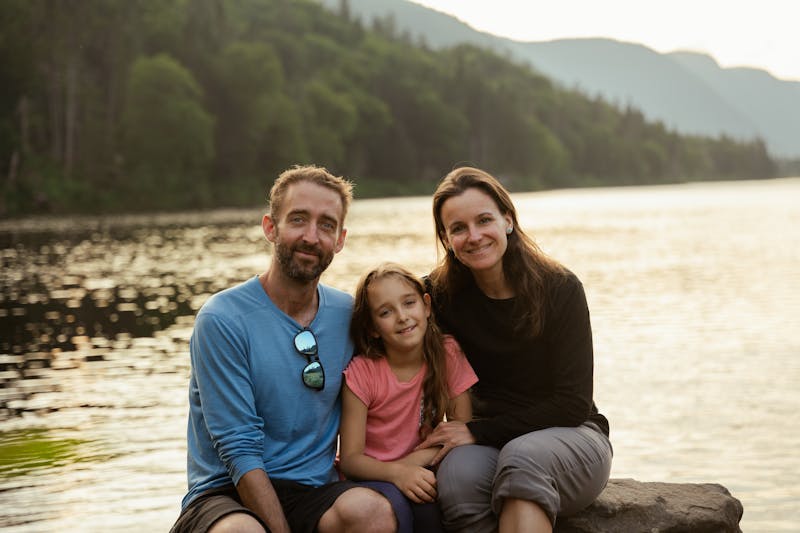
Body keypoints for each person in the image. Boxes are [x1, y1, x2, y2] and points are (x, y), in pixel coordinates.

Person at [170, 165, 396, 533]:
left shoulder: (348, 314)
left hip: (311, 492)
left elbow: (402, 360)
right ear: (270, 227)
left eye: (326, 225)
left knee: (371, 511)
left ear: (340, 239)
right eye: (298, 219)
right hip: (226, 493)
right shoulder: (223, 319)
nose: (311, 236)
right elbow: (238, 449)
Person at [416, 166, 613, 532]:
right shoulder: (438, 297)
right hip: (490, 444)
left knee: (523, 459)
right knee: (456, 476)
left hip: (572, 435)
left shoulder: (560, 289)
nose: (473, 236)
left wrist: (475, 431)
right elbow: (387, 335)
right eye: (458, 228)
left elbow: (572, 404)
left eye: (484, 220)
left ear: (508, 220)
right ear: (446, 238)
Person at [339, 263, 478, 533]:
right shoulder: (363, 372)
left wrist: (412, 466)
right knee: (401, 510)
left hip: (422, 466)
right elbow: (350, 460)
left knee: (436, 507)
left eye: (409, 303)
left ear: (426, 306)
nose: (402, 317)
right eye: (386, 312)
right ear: (372, 328)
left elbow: (461, 430)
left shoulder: (447, 353)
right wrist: (397, 473)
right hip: (371, 478)